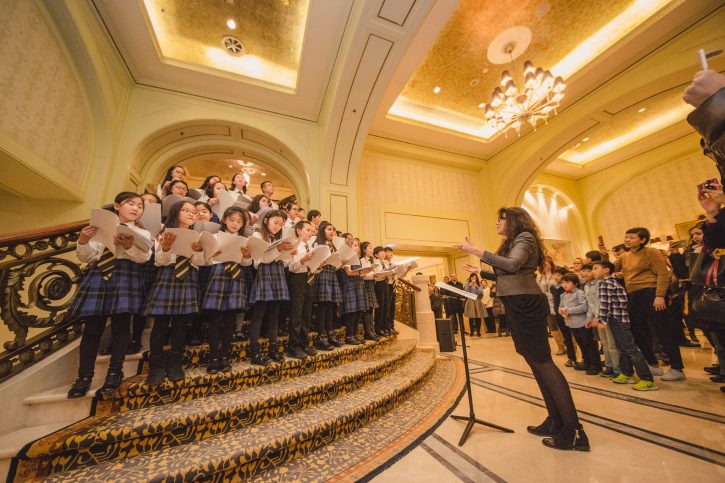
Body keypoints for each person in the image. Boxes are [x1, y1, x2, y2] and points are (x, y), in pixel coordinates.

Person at [457, 207, 589, 451]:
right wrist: (481, 271)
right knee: (535, 363)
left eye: (501, 219)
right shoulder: (512, 241)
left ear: (514, 221)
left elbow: (512, 265)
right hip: (516, 302)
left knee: (543, 363)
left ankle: (574, 430)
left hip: (526, 303)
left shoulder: (525, 237)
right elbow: (509, 274)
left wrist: (478, 251)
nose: (497, 223)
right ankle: (555, 419)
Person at [67, 192, 152, 398]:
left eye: (140, 206)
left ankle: (115, 372)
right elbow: (86, 257)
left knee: (121, 329)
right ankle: (84, 376)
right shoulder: (100, 227)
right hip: (100, 273)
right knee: (92, 330)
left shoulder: (142, 232)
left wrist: (128, 246)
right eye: (130, 203)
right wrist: (83, 240)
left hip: (126, 274)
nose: (136, 208)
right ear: (117, 206)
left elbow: (144, 258)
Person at [144, 200, 207, 385]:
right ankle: (156, 367)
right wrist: (165, 247)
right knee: (160, 325)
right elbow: (159, 261)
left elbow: (200, 262)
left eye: (194, 212)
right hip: (168, 275)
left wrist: (198, 251)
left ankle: (175, 364)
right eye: (186, 210)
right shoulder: (163, 232)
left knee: (180, 325)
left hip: (188, 276)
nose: (191, 214)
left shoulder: (198, 235)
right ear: (176, 212)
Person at [616, 227, 686, 381]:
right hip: (633, 294)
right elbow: (613, 272)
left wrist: (659, 295)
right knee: (636, 329)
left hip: (651, 291)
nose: (627, 240)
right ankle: (653, 364)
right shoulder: (624, 256)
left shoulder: (651, 252)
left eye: (631, 237)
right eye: (626, 237)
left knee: (662, 329)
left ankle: (677, 368)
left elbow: (663, 274)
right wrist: (617, 274)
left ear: (642, 240)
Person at [200, 206, 253, 374]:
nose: (235, 224)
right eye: (232, 220)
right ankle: (213, 357)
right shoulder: (215, 237)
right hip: (218, 275)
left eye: (239, 221)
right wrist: (212, 255)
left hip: (236, 278)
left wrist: (247, 256)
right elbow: (205, 261)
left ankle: (225, 356)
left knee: (230, 320)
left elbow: (246, 263)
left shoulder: (244, 240)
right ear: (224, 220)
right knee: (215, 320)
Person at [591, 261, 657, 391]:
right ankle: (627, 373)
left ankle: (647, 379)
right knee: (622, 349)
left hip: (618, 320)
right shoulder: (610, 281)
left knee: (631, 349)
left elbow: (605, 303)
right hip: (616, 319)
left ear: (606, 270)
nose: (593, 271)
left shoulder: (606, 283)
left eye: (595, 268)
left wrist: (602, 320)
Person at [248, 210, 295, 365]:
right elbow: (259, 261)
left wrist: (289, 254)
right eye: (275, 222)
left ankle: (273, 349)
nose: (277, 226)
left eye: (280, 224)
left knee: (275, 314)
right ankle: (254, 352)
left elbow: (284, 262)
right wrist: (279, 249)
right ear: (266, 220)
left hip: (278, 274)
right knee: (259, 315)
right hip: (264, 275)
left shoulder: (277, 239)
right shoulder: (257, 235)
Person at [286, 220, 319, 359]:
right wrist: (303, 260)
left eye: (312, 230)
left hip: (310, 278)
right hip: (297, 279)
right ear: (299, 231)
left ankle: (304, 344)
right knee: (297, 313)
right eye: (308, 230)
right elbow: (291, 267)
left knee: (307, 313)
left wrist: (319, 264)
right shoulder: (294, 246)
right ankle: (293, 347)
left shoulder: (310, 246)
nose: (311, 233)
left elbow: (312, 265)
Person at [582, 263, 620, 377]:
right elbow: (590, 304)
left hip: (605, 316)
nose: (586, 273)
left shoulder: (600, 283)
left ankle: (617, 369)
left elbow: (601, 302)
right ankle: (609, 366)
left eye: (590, 270)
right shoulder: (586, 286)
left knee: (612, 344)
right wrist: (589, 318)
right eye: (584, 271)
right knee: (604, 343)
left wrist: (598, 316)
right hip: (596, 318)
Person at [559, 273, 600, 375]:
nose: (564, 285)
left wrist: (568, 310)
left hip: (582, 323)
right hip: (571, 323)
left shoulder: (579, 293)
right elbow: (560, 306)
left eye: (567, 282)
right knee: (581, 343)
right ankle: (586, 362)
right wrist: (560, 310)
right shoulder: (563, 295)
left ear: (575, 283)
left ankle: (595, 365)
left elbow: (583, 307)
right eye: (563, 282)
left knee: (588, 344)